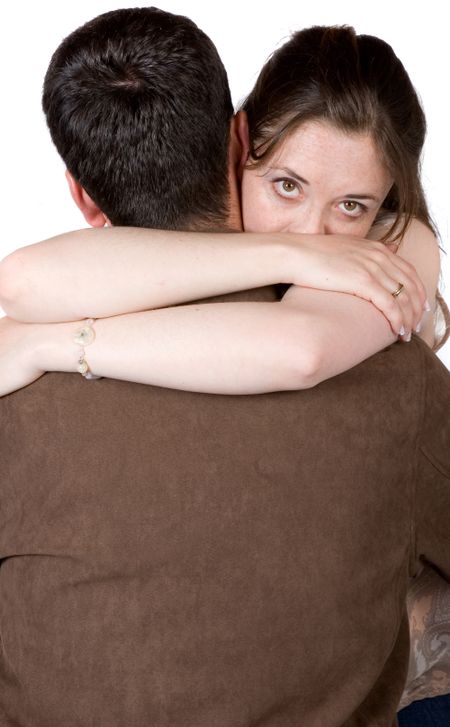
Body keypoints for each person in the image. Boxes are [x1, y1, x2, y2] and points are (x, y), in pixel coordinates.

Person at [0, 8, 449, 724]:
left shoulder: (391, 277)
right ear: (241, 143)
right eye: (289, 188)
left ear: (80, 196)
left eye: (353, 208)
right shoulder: (394, 360)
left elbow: (300, 349)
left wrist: (44, 346)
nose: (318, 237)